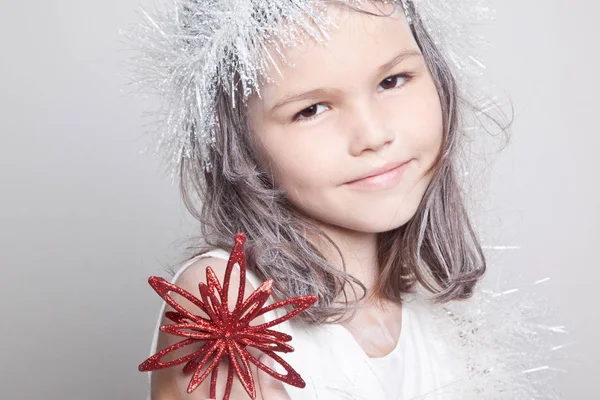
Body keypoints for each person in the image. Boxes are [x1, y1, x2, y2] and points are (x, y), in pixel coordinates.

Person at [129, 0, 562, 399]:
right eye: (311, 110)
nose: (374, 135)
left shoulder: (444, 317)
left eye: (393, 81)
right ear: (239, 145)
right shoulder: (227, 303)